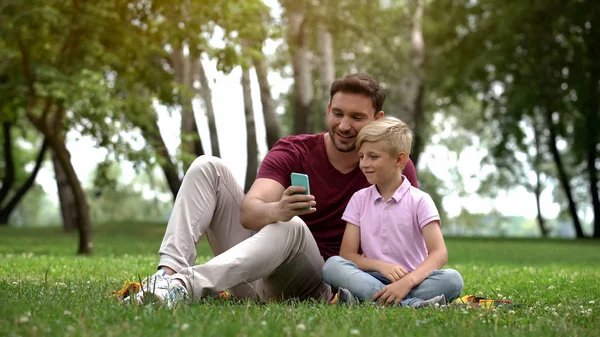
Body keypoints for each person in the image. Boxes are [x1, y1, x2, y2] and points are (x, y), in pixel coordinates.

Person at [125, 73, 420, 307]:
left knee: (290, 227)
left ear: (377, 120)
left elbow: (407, 242)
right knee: (207, 166)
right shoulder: (295, 150)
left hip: (315, 284)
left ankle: (184, 286)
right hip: (251, 273)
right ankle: (166, 279)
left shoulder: (392, 167)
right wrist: (277, 209)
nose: (344, 126)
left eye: (357, 118)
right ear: (328, 110)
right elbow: (249, 212)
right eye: (338, 113)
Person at [322, 117, 463, 307]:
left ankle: (369, 300)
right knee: (332, 266)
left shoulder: (420, 200)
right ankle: (410, 304)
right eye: (361, 156)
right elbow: (347, 254)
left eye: (373, 157)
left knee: (453, 280)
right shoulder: (359, 199)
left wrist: (406, 282)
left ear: (399, 159)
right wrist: (381, 266)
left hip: (413, 281)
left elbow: (439, 254)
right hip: (370, 276)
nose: (364, 164)